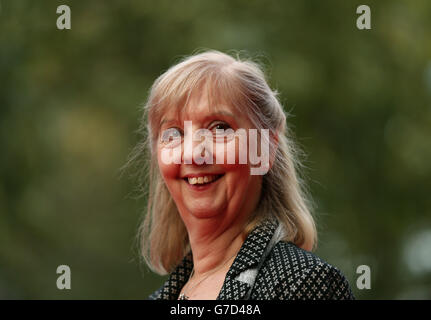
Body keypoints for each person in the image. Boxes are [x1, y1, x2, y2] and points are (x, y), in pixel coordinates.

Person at [129, 50, 355, 300]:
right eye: (174, 133)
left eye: (219, 128)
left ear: (265, 148)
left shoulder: (305, 284)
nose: (193, 154)